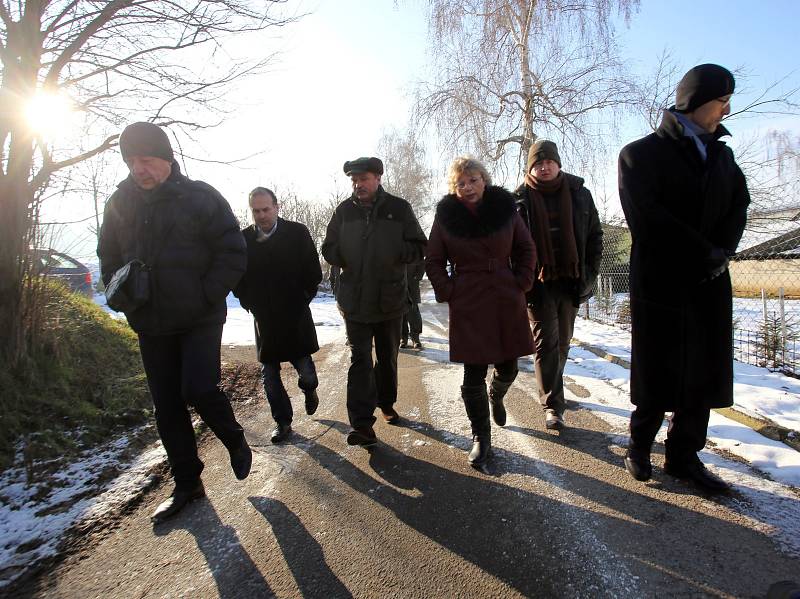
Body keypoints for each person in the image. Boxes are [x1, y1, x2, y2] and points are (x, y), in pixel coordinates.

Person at [97, 122, 252, 524]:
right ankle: (188, 483)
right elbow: (108, 258)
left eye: (146, 160)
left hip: (200, 316)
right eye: (132, 161)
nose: (139, 169)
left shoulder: (200, 197)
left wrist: (208, 293)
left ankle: (233, 436)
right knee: (166, 407)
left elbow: (233, 250)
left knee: (197, 387)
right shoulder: (119, 203)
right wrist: (127, 300)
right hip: (151, 320)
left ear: (166, 159)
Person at [618, 64, 750, 493]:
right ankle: (639, 445)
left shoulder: (722, 155)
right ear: (694, 102)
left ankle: (684, 455)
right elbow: (648, 217)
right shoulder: (640, 154)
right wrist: (702, 251)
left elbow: (738, 206)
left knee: (703, 368)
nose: (726, 109)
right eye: (721, 100)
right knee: (659, 364)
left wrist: (722, 252)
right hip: (661, 278)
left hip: (709, 279)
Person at [426, 157, 536, 467]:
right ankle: (481, 438)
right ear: (454, 187)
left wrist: (522, 280)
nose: (467, 186)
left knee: (509, 366)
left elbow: (526, 248)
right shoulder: (446, 218)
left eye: (473, 180)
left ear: (483, 180)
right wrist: (448, 290)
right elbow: (433, 259)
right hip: (468, 298)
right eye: (460, 183)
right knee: (473, 371)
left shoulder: (506, 211)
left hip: (505, 293)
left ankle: (497, 394)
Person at [321, 156, 427, 447]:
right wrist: (344, 256)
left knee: (387, 357)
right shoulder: (343, 212)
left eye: (363, 179)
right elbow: (327, 247)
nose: (358, 185)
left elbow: (420, 246)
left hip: (390, 299)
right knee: (360, 360)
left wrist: (393, 251)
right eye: (354, 180)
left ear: (378, 178)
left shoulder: (398, 209)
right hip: (354, 301)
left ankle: (387, 401)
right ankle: (362, 425)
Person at [516, 140, 603, 430]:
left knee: (562, 342)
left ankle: (554, 388)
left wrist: (588, 274)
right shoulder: (519, 199)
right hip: (537, 283)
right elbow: (511, 245)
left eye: (548, 161)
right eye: (537, 163)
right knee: (545, 344)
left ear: (558, 163)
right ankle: (553, 405)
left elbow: (595, 237)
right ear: (530, 167)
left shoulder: (580, 194)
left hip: (571, 279)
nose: (543, 167)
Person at [233, 187, 322, 444]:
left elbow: (313, 271)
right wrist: (249, 302)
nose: (261, 215)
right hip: (264, 318)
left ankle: (310, 390)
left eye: (266, 209)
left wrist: (303, 296)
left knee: (305, 370)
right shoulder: (244, 239)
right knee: (269, 375)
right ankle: (282, 422)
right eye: (256, 211)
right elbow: (237, 276)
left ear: (276, 207)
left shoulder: (297, 233)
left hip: (295, 315)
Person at [400, 260, 425, 350]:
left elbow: (422, 261)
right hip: (399, 285)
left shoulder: (413, 247)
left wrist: (418, 276)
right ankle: (403, 338)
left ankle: (415, 338)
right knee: (401, 313)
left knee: (414, 312)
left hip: (412, 284)